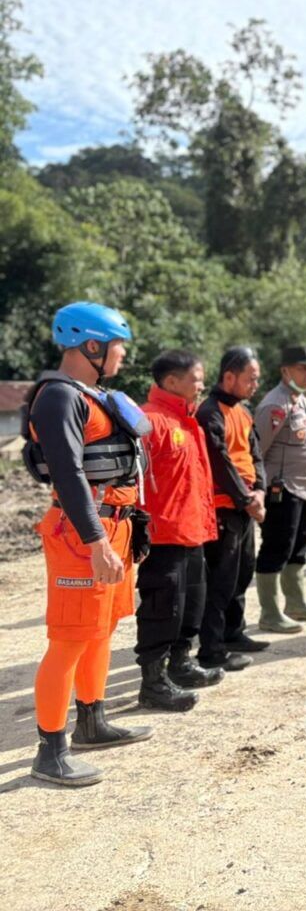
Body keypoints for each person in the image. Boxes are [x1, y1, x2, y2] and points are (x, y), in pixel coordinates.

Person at [24, 302, 152, 786]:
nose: (122, 354)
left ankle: (92, 722)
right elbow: (68, 472)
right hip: (82, 533)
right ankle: (50, 752)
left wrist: (128, 525)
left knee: (101, 630)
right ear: (91, 346)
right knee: (70, 638)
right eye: (117, 345)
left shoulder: (95, 394)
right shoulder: (58, 398)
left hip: (113, 525)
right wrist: (96, 539)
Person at [136, 349, 220, 714]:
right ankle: (152, 684)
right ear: (172, 381)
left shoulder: (189, 421)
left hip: (194, 531)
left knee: (192, 604)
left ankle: (180, 664)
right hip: (163, 536)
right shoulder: (147, 421)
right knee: (162, 608)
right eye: (196, 379)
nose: (202, 385)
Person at [197, 346, 267, 672]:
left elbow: (256, 454)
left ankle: (234, 632)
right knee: (220, 580)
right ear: (229, 377)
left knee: (242, 573)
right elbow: (219, 462)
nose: (255, 384)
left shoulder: (243, 410)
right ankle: (211, 649)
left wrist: (261, 491)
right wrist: (246, 499)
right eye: (250, 378)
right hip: (223, 508)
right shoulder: (209, 412)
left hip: (245, 505)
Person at [255, 345, 306, 631]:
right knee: (277, 547)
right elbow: (257, 451)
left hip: (305, 487)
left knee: (299, 546)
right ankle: (269, 612)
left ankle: (295, 603)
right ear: (286, 370)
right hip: (281, 490)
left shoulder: (299, 399)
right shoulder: (275, 404)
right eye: (303, 368)